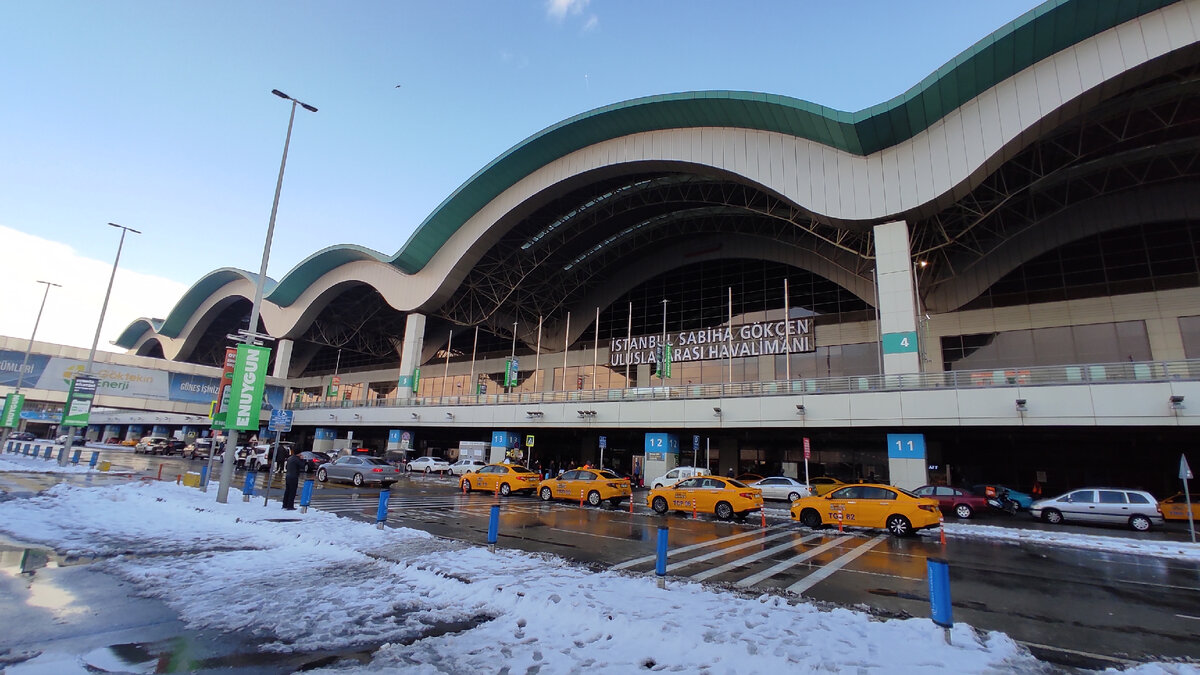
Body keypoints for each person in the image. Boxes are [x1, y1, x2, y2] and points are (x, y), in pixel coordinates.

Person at [282, 446, 304, 510]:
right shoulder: (297, 459)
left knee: (287, 491)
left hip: (288, 476)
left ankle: (285, 504)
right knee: (292, 492)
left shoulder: (290, 458)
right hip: (294, 477)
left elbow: (286, 467)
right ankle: (290, 506)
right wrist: (302, 459)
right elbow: (302, 465)